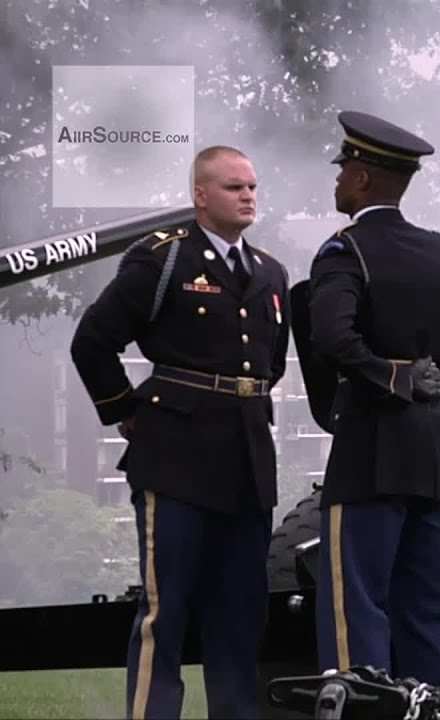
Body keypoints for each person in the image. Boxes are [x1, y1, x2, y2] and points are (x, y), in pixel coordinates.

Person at [69, 145, 291, 719]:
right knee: (164, 613)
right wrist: (126, 408)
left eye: (252, 187)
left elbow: (271, 365)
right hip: (176, 457)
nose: (247, 196)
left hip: (246, 459)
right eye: (233, 187)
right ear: (200, 196)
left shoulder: (270, 272)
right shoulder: (161, 259)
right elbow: (93, 339)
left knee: (242, 610)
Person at [305, 110, 440, 686]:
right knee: (428, 609)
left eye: (342, 170)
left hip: (371, 451)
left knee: (356, 607)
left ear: (361, 180)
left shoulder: (344, 251)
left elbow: (331, 336)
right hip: (437, 456)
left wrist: (388, 378)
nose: (336, 181)